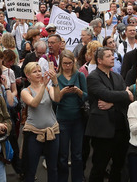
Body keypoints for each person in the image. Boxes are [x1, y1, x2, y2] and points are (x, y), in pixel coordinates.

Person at [85, 47, 133, 182]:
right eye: (108, 56)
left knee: (118, 165)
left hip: (121, 129)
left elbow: (127, 101)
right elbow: (105, 94)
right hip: (103, 130)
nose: (113, 58)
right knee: (99, 167)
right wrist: (125, 94)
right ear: (99, 60)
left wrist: (113, 103)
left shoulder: (117, 77)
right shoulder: (93, 77)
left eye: (113, 55)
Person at [21, 60, 61, 182]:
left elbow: (57, 99)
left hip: (52, 131)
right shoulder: (25, 91)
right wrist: (43, 86)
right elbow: (34, 103)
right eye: (35, 72)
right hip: (34, 133)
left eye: (39, 71)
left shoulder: (49, 88)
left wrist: (55, 82)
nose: (39, 74)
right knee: (31, 169)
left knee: (53, 168)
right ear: (28, 76)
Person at [55, 49, 87, 182]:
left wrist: (78, 91)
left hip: (78, 119)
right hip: (62, 119)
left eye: (70, 63)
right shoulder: (56, 78)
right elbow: (54, 100)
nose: (67, 66)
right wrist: (62, 92)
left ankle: (77, 179)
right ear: (60, 63)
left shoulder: (80, 76)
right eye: (65, 63)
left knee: (77, 154)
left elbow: (86, 96)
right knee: (62, 155)